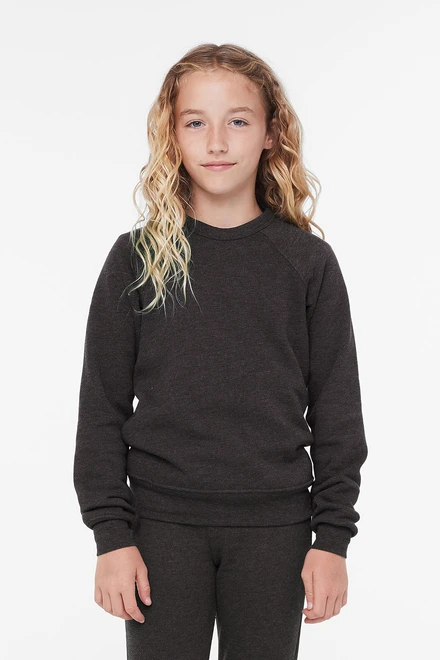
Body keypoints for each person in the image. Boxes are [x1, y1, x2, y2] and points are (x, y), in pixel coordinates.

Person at [73, 42, 368, 660]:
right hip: (159, 529)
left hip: (276, 532)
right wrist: (110, 536)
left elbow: (338, 411)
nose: (216, 142)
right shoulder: (135, 260)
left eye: (237, 120)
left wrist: (332, 539)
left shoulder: (307, 264)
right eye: (194, 122)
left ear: (270, 133)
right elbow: (100, 408)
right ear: (172, 135)